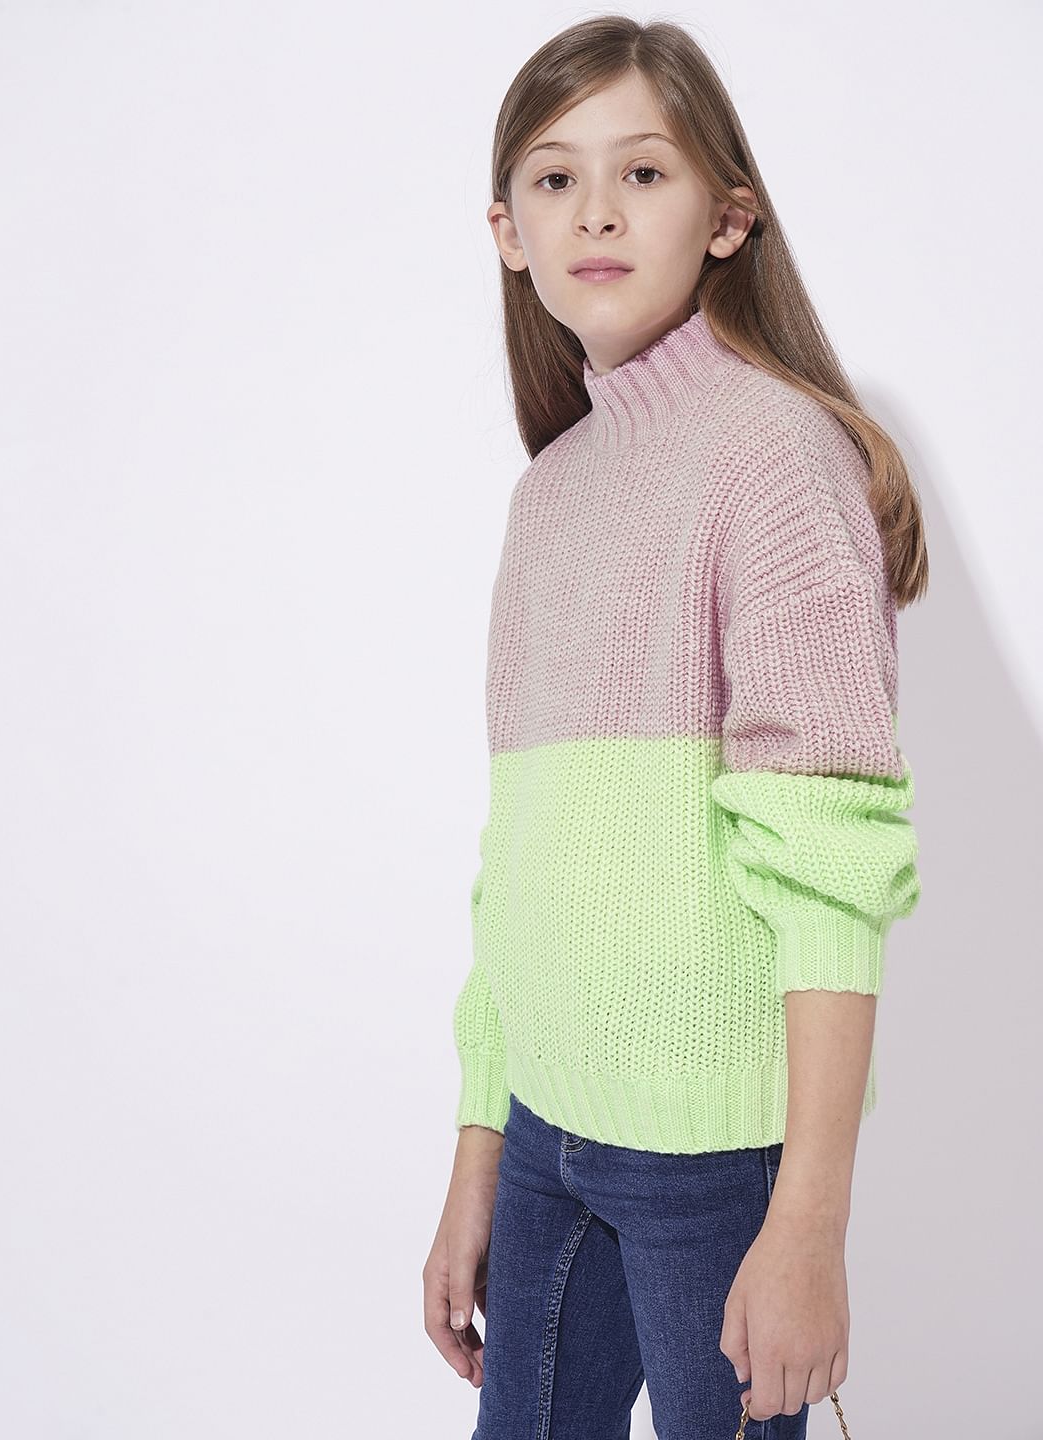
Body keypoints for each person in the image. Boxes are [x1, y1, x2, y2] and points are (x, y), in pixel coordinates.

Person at [422, 16, 926, 1439]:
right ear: (508, 232)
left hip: (715, 1155)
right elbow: (517, 864)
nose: (595, 210)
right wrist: (480, 1150)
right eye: (554, 178)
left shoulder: (774, 456)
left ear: (727, 215)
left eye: (642, 172)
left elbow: (831, 862)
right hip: (548, 1131)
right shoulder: (551, 494)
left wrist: (809, 1222)